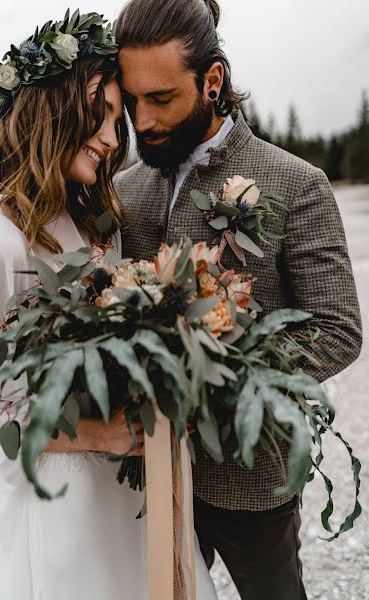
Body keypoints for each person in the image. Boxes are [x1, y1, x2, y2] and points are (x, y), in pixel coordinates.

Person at [114, 0, 363, 598]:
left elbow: (337, 328)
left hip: (253, 477)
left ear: (214, 81)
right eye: (131, 101)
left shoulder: (295, 182)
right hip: (144, 475)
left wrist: (221, 378)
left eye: (162, 99)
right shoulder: (123, 189)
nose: (142, 121)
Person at [0, 11, 217, 600]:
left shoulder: (96, 225)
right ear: (46, 115)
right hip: (51, 501)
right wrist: (93, 435)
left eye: (116, 118)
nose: (112, 138)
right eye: (98, 116)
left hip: (123, 485)